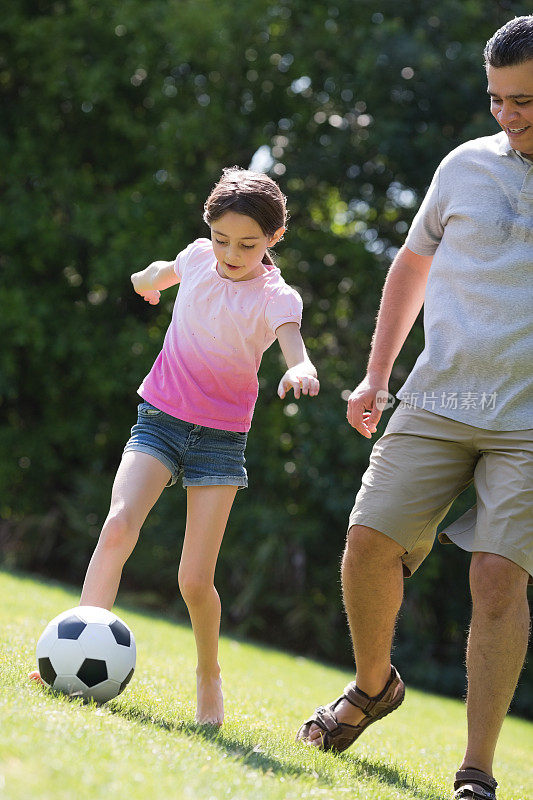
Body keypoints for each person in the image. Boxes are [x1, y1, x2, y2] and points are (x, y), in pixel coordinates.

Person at [296, 16, 532, 800]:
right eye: (497, 99)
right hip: (438, 396)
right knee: (367, 542)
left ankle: (476, 770)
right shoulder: (464, 166)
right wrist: (374, 375)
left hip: (527, 424)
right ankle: (372, 688)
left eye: (524, 100)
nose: (507, 115)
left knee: (498, 577)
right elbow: (411, 262)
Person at [30, 167, 319, 725]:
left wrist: (302, 369)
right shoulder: (195, 259)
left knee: (193, 579)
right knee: (117, 526)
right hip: (160, 417)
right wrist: (145, 281)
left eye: (248, 244)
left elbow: (294, 345)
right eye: (221, 239)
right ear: (207, 230)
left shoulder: (276, 296)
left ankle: (208, 675)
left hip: (220, 441)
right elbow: (158, 274)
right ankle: (74, 649)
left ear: (273, 240)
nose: (231, 253)